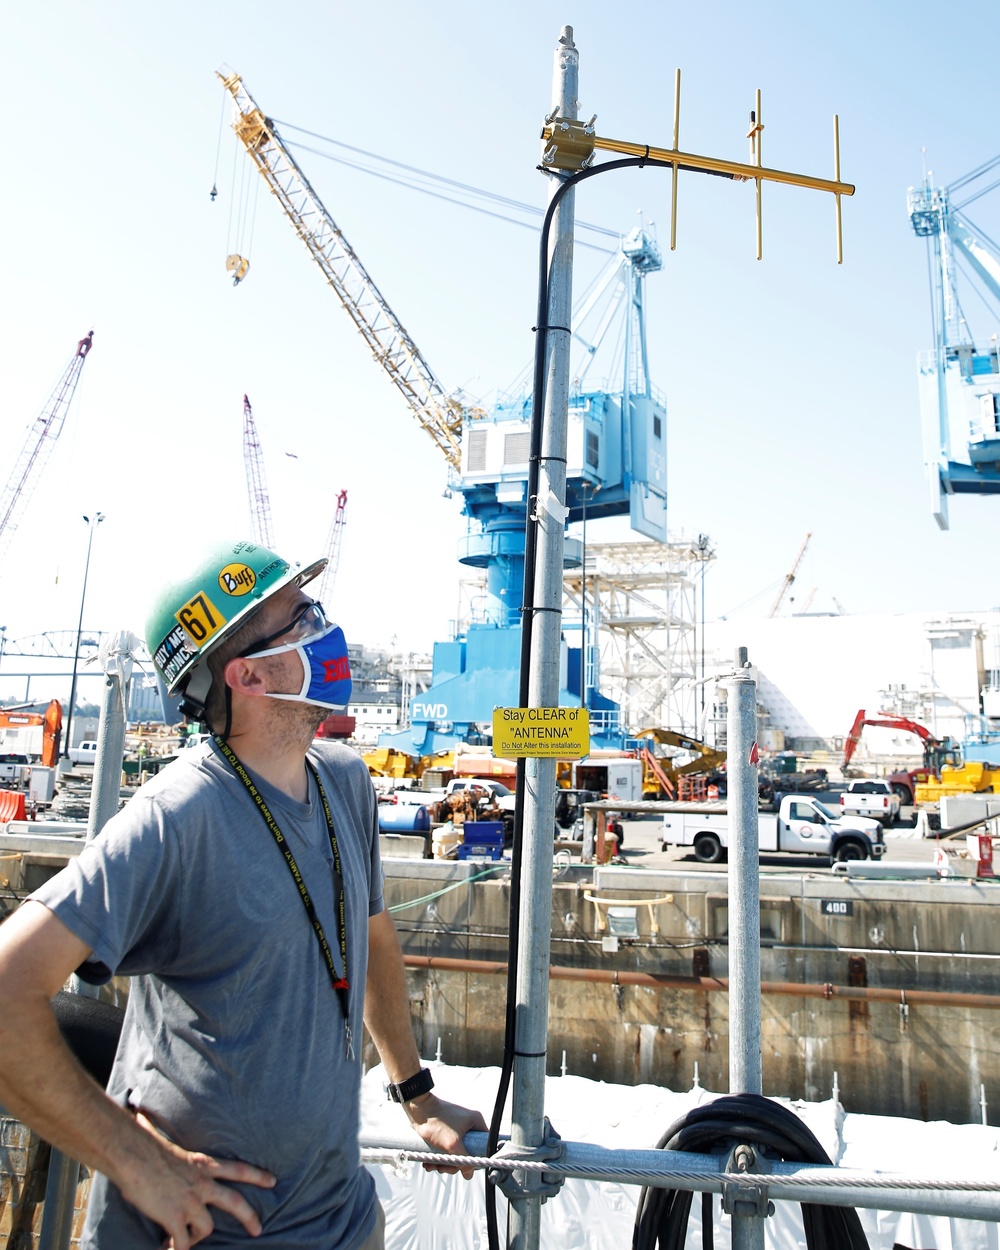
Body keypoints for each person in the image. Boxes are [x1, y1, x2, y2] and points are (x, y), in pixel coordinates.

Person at [0, 540, 486, 1250]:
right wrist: (136, 1162)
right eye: (303, 617)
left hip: (342, 1221)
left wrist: (416, 1096)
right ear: (248, 674)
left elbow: (372, 939)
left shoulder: (343, 781)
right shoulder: (177, 816)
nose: (328, 631)